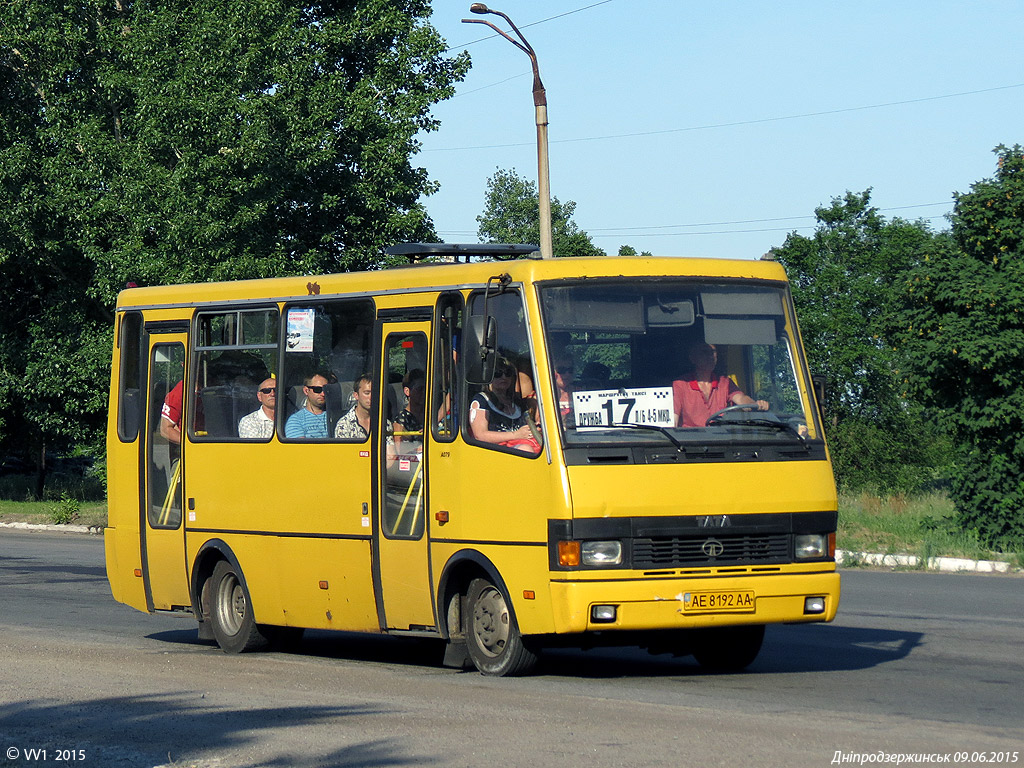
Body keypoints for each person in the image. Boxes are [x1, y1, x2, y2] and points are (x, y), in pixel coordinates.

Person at [673, 342, 769, 427]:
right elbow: (674, 418)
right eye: (705, 352)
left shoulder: (725, 382)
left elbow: (741, 399)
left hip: (719, 440)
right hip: (691, 442)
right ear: (693, 358)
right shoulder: (680, 384)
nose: (711, 356)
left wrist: (755, 405)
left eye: (713, 352)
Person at [468, 358, 540, 454]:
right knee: (525, 450)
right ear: (488, 376)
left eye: (508, 373)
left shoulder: (517, 402)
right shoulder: (481, 401)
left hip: (528, 449)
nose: (504, 377)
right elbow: (480, 435)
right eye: (497, 374)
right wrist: (515, 435)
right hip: (497, 453)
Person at [285, 373, 330, 438]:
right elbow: (300, 447)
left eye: (326, 390)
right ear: (306, 391)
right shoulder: (296, 420)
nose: (323, 394)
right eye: (317, 389)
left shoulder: (336, 416)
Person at [392, 368, 426, 451]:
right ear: (407, 391)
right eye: (419, 389)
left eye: (426, 389)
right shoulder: (401, 419)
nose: (424, 392)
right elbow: (401, 450)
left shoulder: (432, 416)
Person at [334, 374, 373, 439]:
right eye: (367, 393)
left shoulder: (383, 423)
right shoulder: (344, 425)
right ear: (356, 395)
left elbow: (390, 448)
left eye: (374, 393)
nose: (371, 397)